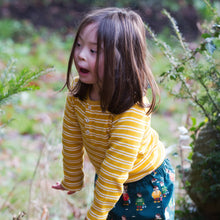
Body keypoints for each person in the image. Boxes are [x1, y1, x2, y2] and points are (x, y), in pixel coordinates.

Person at [52, 7, 175, 220]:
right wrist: (72, 177)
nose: (80, 55)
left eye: (94, 51)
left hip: (147, 184)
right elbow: (71, 137)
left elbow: (115, 168)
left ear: (122, 58)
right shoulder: (77, 93)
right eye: (79, 45)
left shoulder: (131, 109)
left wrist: (96, 213)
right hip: (109, 179)